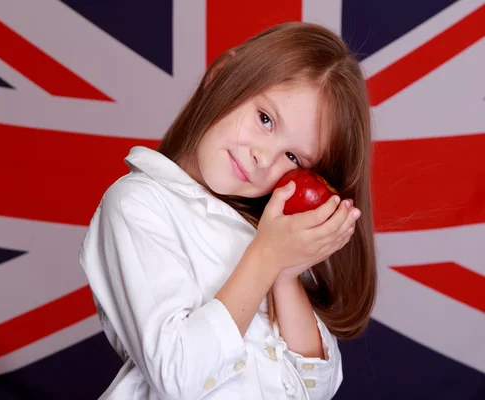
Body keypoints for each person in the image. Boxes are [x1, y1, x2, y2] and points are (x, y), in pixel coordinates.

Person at [79, 21, 377, 400]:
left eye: (291, 156)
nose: (263, 157)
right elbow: (178, 375)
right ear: (221, 77)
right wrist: (265, 258)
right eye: (265, 119)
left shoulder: (260, 233)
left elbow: (317, 387)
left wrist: (284, 274)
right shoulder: (138, 203)